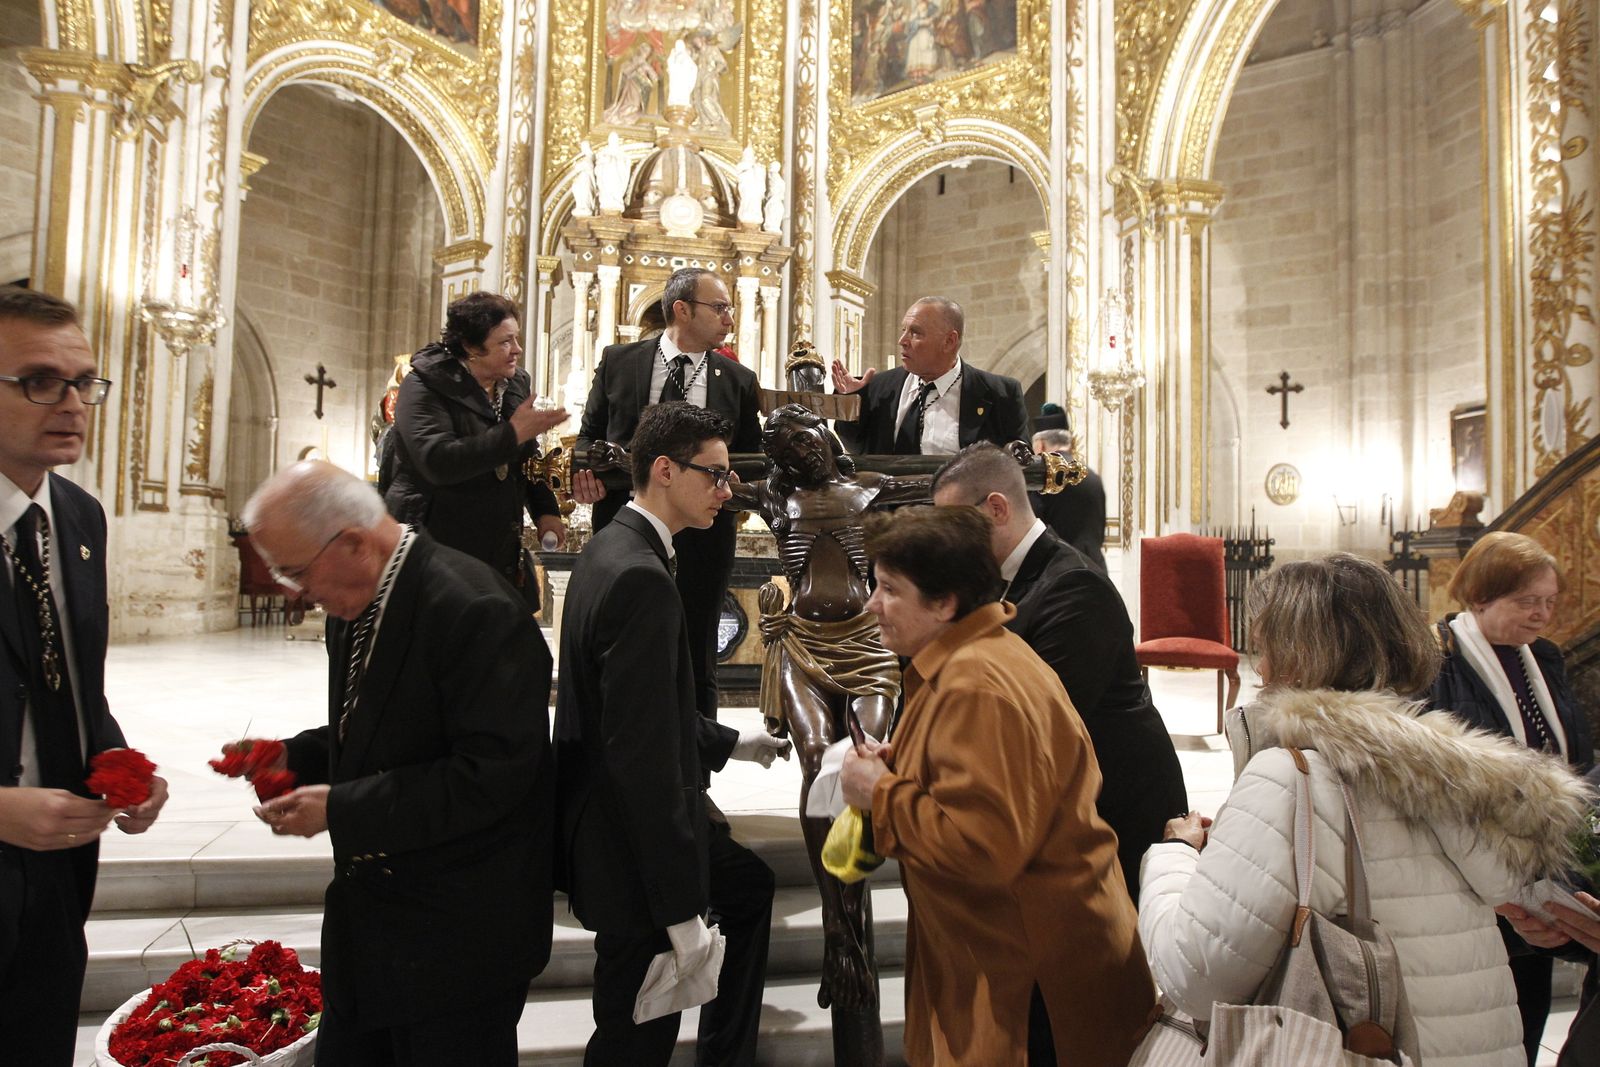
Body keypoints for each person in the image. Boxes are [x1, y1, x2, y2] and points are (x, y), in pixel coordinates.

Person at [1142, 553, 1590, 1067]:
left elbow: (1197, 976)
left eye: (1265, 645)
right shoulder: (1455, 772)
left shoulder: (1290, 778)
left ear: (1295, 655)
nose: (1259, 666)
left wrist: (1174, 856)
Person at [244, 461, 554, 1066]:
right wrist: (295, 755)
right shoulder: (358, 600)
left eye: (295, 570)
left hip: (458, 942)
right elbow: (374, 727)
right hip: (372, 933)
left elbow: (493, 778)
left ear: (355, 543)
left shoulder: (476, 609)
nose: (291, 589)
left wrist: (340, 807)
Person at [839, 506, 1155, 1066]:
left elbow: (983, 849)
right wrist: (906, 769)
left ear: (943, 603)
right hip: (1014, 958)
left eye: (888, 589)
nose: (871, 604)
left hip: (1035, 984)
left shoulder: (976, 684)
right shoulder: (971, 657)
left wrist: (880, 793)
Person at [555, 403, 785, 1066]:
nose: (727, 491)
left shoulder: (614, 548)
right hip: (630, 857)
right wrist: (680, 909)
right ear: (663, 470)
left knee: (747, 888)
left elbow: (638, 709)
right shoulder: (639, 577)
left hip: (613, 834)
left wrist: (732, 742)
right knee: (632, 1041)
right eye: (714, 475)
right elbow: (639, 758)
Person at [0, 285, 170, 1065]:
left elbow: (68, 678)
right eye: (39, 381)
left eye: (84, 382)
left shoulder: (77, 517)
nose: (71, 402)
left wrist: (121, 765)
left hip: (59, 869)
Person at [1429, 531, 1596, 1064]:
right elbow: (1434, 773)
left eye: (1549, 602)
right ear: (1481, 595)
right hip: (1476, 869)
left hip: (1547, 864)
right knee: (1479, 1019)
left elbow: (1576, 750)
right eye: (1527, 602)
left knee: (1529, 1011)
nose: (1542, 614)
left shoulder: (1542, 658)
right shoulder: (1438, 661)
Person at [574, 267, 762, 724]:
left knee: (698, 651)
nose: (729, 319)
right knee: (621, 643)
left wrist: (736, 484)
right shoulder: (620, 361)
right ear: (682, 309)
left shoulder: (738, 380)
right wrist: (585, 472)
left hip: (706, 533)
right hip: (627, 528)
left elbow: (755, 458)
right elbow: (587, 439)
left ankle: (696, 781)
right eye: (719, 308)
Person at [383, 291, 567, 611]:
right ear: (471, 347)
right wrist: (512, 434)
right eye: (505, 342)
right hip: (436, 545)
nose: (517, 350)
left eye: (517, 338)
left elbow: (524, 453)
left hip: (496, 548)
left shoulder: (514, 383)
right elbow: (437, 460)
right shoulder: (424, 385)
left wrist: (545, 510)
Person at [829, 296, 1028, 456]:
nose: (902, 341)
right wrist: (850, 404)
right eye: (903, 330)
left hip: (962, 506)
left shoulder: (1000, 394)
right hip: (888, 506)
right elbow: (856, 447)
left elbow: (1021, 469)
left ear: (949, 341)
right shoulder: (878, 387)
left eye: (915, 333)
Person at [1029, 419, 1107, 573]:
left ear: (1040, 445)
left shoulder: (1042, 480)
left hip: (1059, 571)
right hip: (1096, 569)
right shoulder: (1092, 477)